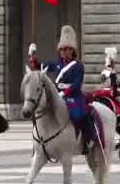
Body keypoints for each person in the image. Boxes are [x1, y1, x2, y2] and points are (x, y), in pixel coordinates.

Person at [29, 25, 94, 155]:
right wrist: (32, 55)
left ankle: (87, 141)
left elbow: (76, 84)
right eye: (62, 49)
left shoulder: (78, 66)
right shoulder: (57, 63)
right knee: (39, 112)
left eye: (66, 49)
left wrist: (65, 92)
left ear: (72, 50)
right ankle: (39, 141)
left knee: (79, 115)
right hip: (57, 95)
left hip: (73, 96)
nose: (63, 52)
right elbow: (39, 66)